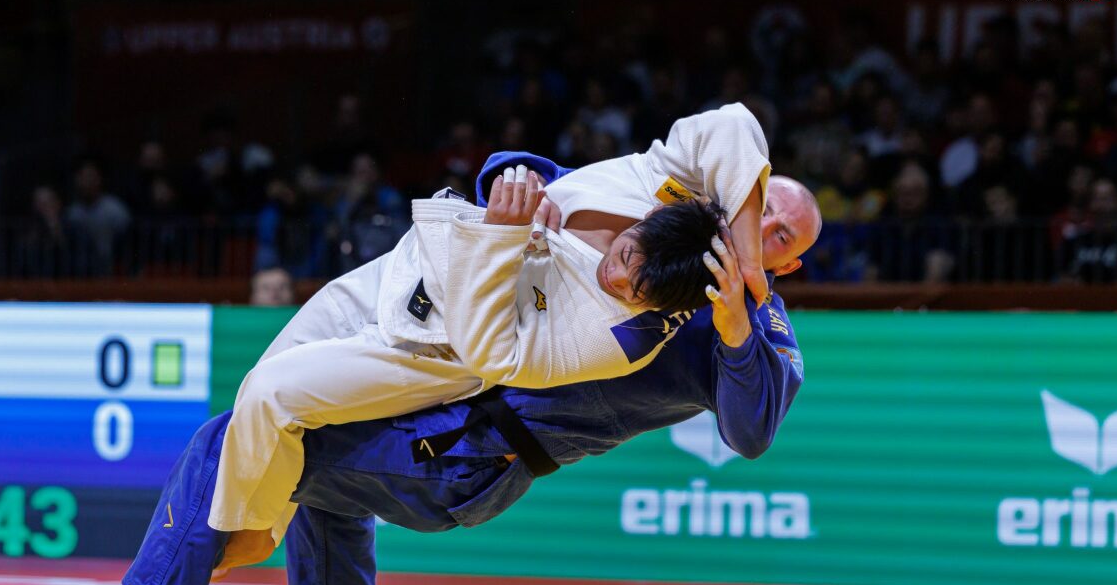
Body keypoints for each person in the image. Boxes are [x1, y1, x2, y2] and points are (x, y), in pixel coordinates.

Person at [24, 175, 821, 585]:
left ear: (782, 266)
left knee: (228, 439)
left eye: (782, 237)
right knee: (313, 453)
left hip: (468, 454)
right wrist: (527, 187)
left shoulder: (746, 324)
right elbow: (522, 174)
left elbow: (751, 433)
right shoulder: (656, 216)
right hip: (438, 399)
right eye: (761, 208)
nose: (760, 229)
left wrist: (733, 330)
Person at [210, 105, 774, 546]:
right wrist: (749, 259)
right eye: (627, 256)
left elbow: (491, 356)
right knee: (258, 393)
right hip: (406, 269)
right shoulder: (650, 184)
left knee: (269, 395)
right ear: (649, 219)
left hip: (428, 349)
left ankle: (240, 535)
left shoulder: (625, 339)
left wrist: (505, 234)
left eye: (637, 292)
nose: (618, 279)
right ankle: (264, 528)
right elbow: (731, 124)